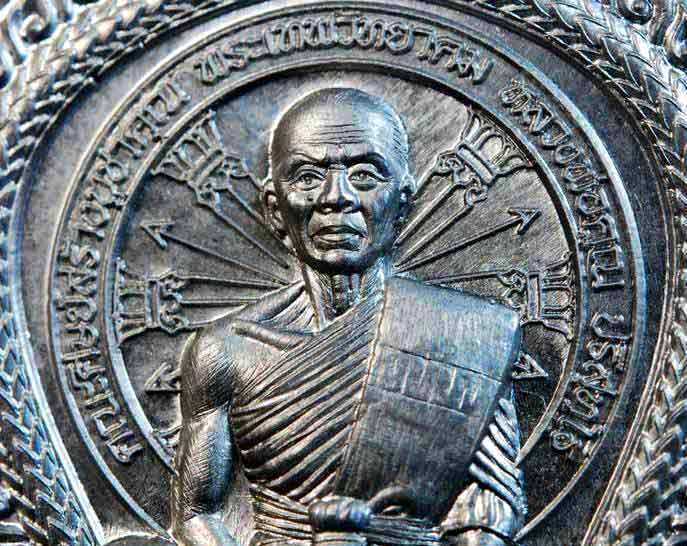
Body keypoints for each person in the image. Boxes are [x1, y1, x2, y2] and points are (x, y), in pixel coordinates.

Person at [171, 88, 526, 546]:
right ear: (275, 209)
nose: (335, 197)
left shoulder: (465, 338)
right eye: (307, 177)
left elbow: (490, 514)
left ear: (403, 202)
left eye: (363, 175)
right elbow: (196, 515)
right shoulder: (226, 350)